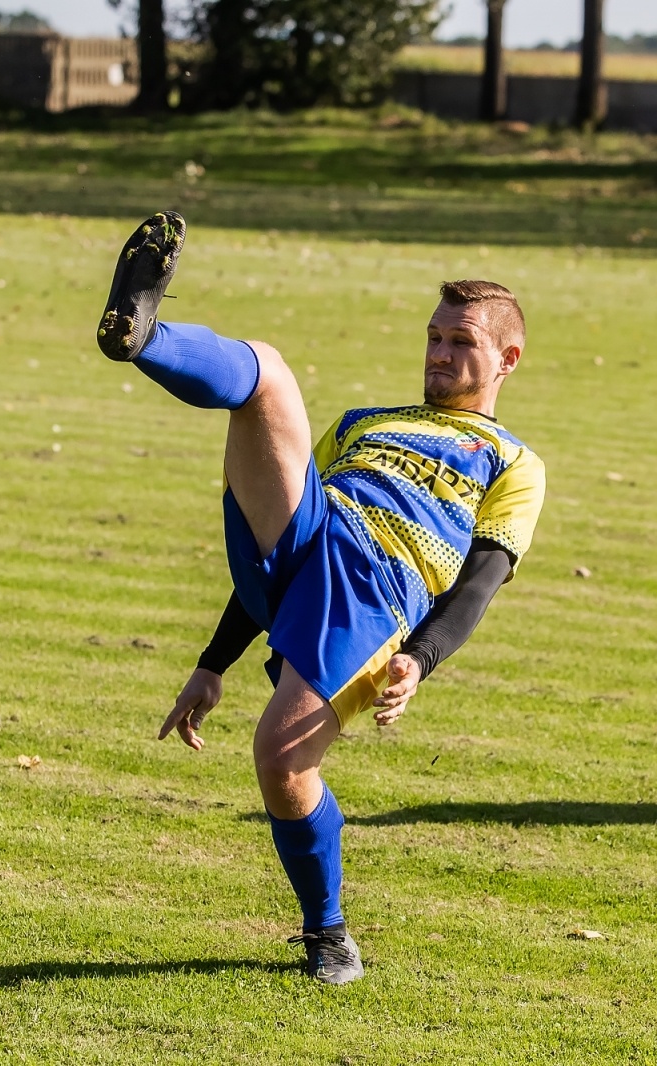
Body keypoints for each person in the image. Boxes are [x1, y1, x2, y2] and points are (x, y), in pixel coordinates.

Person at [95, 211, 547, 981]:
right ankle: (140, 335)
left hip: (375, 589)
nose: (438, 353)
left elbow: (480, 581)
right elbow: (284, 536)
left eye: (460, 342)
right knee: (267, 372)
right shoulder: (366, 422)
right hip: (315, 534)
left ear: (507, 357)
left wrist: (420, 658)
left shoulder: (512, 460)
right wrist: (214, 663)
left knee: (279, 758)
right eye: (434, 337)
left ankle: (328, 933)